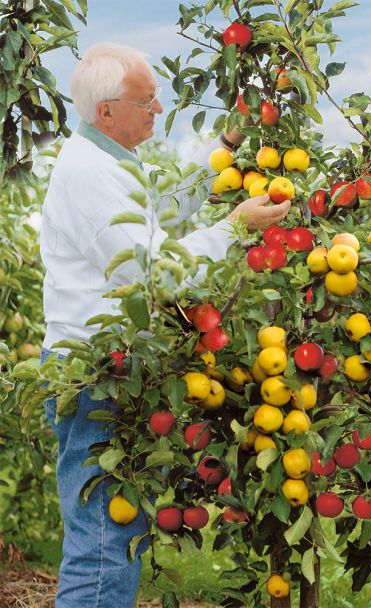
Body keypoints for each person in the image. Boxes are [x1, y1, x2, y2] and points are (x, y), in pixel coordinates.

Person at [40, 43, 290, 607]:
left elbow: (163, 212)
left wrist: (225, 148)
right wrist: (232, 227)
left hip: (113, 366)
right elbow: (156, 273)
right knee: (103, 544)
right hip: (95, 372)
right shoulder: (87, 174)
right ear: (107, 111)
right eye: (146, 100)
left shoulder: (110, 161)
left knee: (111, 534)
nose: (158, 109)